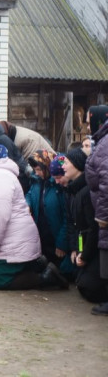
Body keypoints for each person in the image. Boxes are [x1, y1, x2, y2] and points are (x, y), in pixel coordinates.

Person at [0, 143, 67, 290]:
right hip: (9, 240)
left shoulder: (0, 177)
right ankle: (37, 265)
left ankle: (45, 277)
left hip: (13, 240)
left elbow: (0, 214)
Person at [64, 147, 108, 306]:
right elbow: (75, 225)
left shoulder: (86, 193)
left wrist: (85, 255)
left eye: (66, 162)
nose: (63, 166)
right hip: (85, 245)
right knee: (81, 282)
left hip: (93, 247)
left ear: (76, 165)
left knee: (88, 287)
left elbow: (92, 228)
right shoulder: (74, 191)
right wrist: (76, 248)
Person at [26, 150, 72, 274]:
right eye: (35, 170)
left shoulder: (59, 184)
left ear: (47, 166)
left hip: (56, 237)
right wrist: (28, 204)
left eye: (39, 169)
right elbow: (30, 194)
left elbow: (67, 217)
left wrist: (62, 243)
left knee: (62, 270)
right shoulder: (35, 181)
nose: (37, 173)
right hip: (41, 235)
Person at [85, 104, 108, 314]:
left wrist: (102, 217)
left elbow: (106, 182)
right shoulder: (102, 140)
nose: (86, 125)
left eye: (88, 119)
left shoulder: (105, 143)